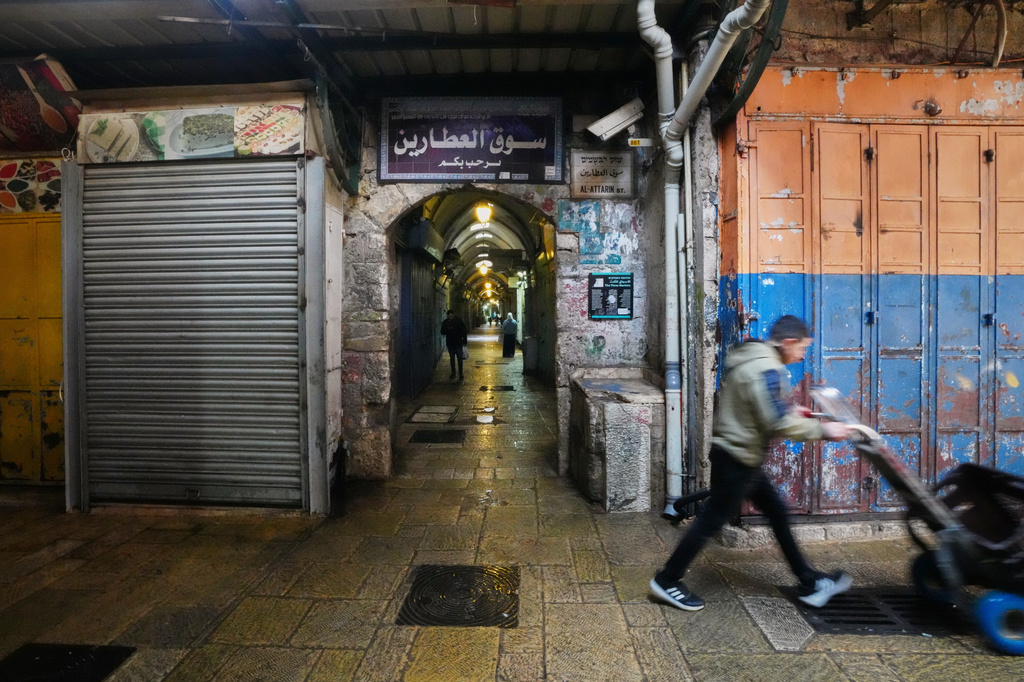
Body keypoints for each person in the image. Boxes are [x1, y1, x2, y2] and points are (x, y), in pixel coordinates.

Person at [650, 315, 852, 612]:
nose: (803, 355)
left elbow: (761, 406)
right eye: (803, 348)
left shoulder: (755, 358)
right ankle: (667, 580)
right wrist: (824, 430)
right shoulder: (766, 368)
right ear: (789, 342)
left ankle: (808, 580)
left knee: (776, 512)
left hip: (739, 454)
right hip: (737, 458)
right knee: (711, 520)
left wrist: (789, 408)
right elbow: (774, 420)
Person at [440, 309, 468, 380]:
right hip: (451, 343)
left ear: (453, 314)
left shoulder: (458, 321)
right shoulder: (446, 322)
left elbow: (464, 331)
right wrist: (448, 329)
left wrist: (464, 341)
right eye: (449, 315)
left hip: (457, 343)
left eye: (451, 315)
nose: (450, 316)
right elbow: (442, 332)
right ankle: (454, 373)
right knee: (452, 359)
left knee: (459, 359)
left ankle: (460, 374)